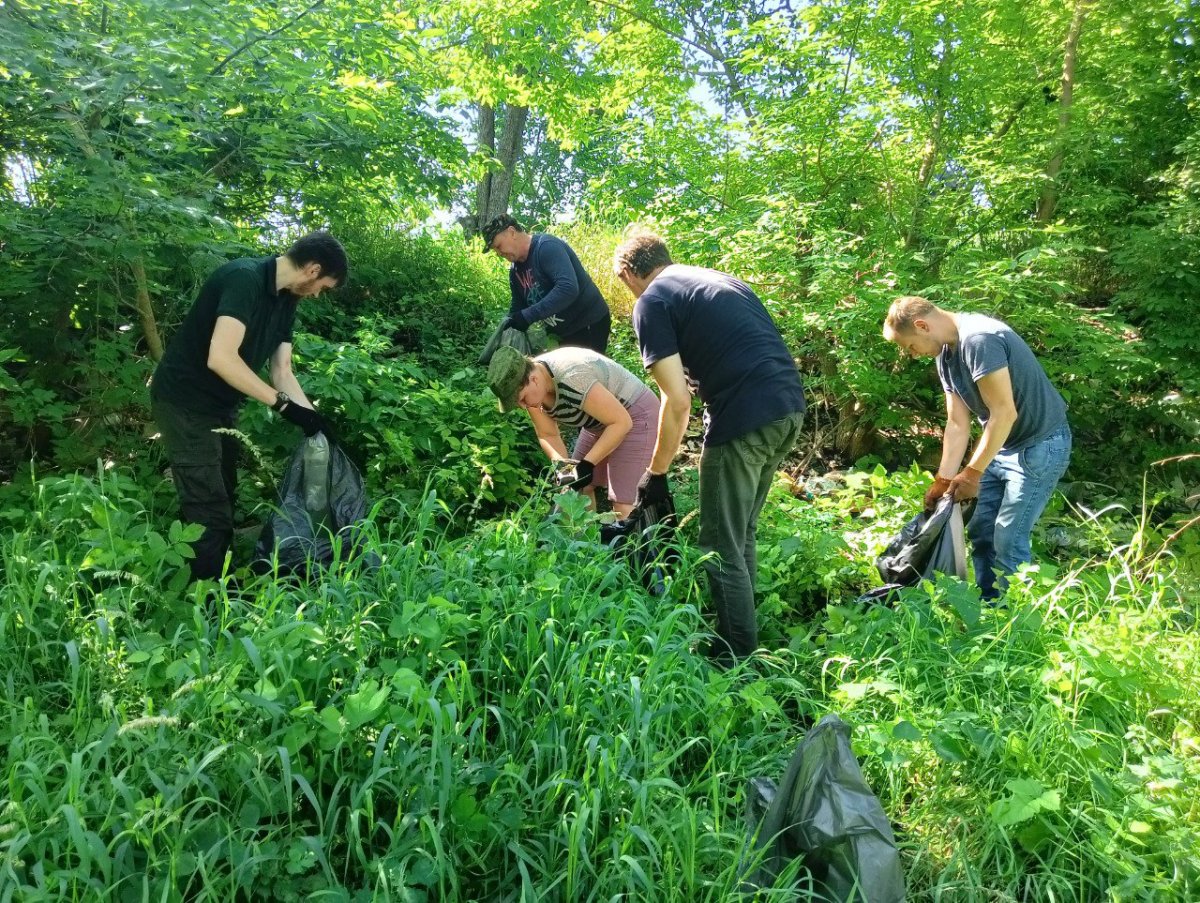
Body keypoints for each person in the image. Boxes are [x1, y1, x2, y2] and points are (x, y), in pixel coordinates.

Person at [613, 232, 806, 663]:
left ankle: (734, 659)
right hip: (788, 408)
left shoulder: (651, 301)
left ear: (629, 273)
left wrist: (655, 473)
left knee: (719, 545)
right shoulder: (716, 280)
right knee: (742, 534)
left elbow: (676, 401)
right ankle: (744, 632)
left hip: (743, 418)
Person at [150, 231, 348, 582]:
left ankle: (213, 576)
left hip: (221, 406)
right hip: (184, 401)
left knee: (224, 490)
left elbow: (282, 371)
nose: (319, 294)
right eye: (324, 287)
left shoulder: (287, 301)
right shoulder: (244, 279)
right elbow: (221, 358)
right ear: (313, 270)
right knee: (208, 508)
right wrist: (285, 408)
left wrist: (314, 420)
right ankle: (206, 605)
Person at [882, 295, 1071, 600]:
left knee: (1008, 537)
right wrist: (943, 480)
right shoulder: (946, 355)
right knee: (982, 530)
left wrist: (971, 475)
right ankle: (990, 606)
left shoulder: (980, 340)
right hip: (1001, 445)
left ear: (921, 326)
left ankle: (1014, 620)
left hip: (1039, 445)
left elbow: (1004, 412)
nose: (912, 355)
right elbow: (957, 422)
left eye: (909, 346)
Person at [487, 344, 659, 518]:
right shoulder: (533, 393)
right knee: (579, 487)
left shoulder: (572, 377)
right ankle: (589, 543)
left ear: (534, 379)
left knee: (622, 500)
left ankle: (639, 544)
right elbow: (548, 434)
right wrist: (563, 467)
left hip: (636, 415)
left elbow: (621, 423)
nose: (523, 406)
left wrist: (587, 465)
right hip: (599, 422)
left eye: (522, 399)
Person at [481, 214, 611, 354]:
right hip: (562, 332)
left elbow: (568, 288)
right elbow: (519, 305)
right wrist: (510, 324)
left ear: (512, 232)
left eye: (498, 246)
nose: (499, 253)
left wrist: (527, 316)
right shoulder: (515, 271)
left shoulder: (546, 247)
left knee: (587, 373)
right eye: (495, 251)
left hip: (588, 322)